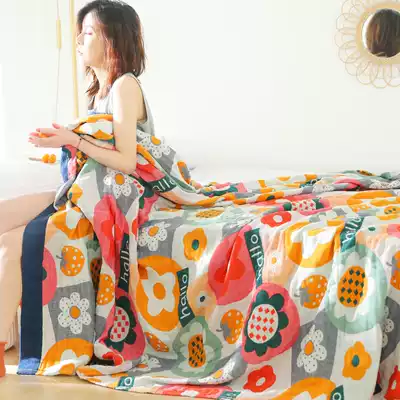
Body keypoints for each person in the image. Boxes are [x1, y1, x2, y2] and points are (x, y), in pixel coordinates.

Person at [0, 0, 153, 377]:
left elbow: (127, 161)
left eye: (87, 32)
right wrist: (60, 148)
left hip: (113, 197)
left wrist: (74, 139)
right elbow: (95, 152)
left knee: (10, 238)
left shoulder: (125, 86)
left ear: (112, 40)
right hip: (86, 189)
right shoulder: (97, 93)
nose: (79, 41)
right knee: (6, 231)